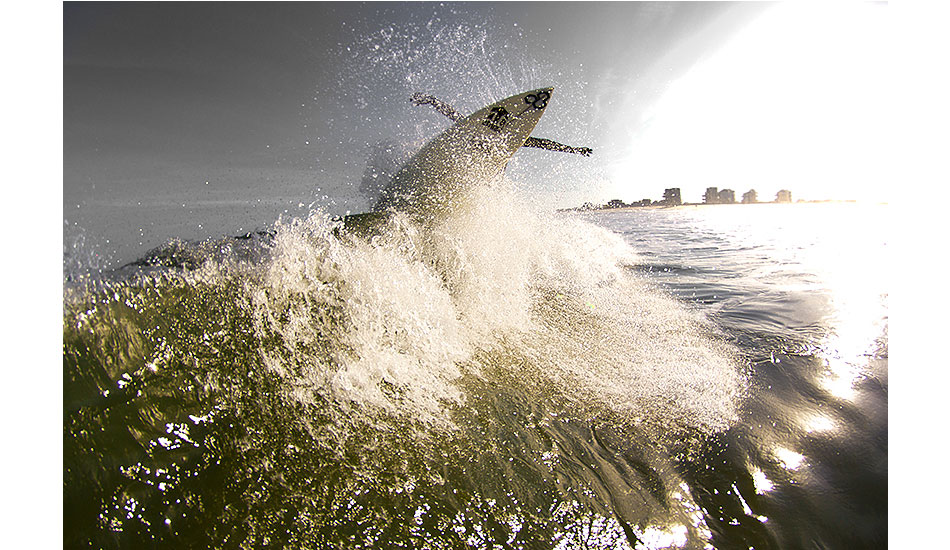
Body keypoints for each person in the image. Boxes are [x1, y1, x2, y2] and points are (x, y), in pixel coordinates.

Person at [410, 93, 593, 157]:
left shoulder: (511, 139)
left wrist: (573, 150)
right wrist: (432, 101)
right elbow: (451, 113)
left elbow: (543, 143)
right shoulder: (474, 128)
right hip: (468, 161)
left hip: (490, 170)